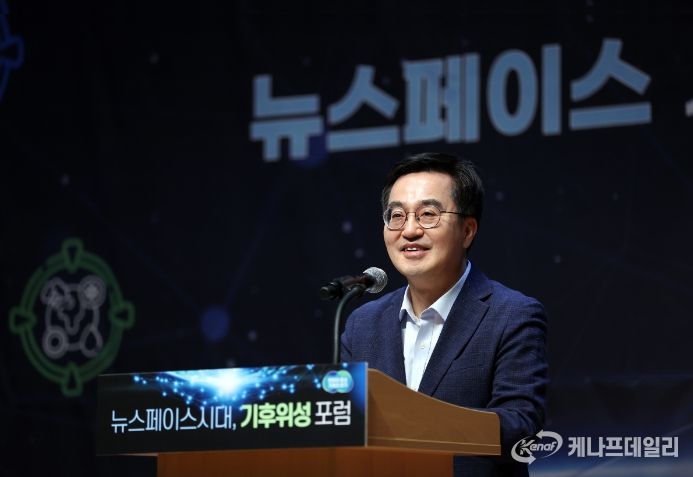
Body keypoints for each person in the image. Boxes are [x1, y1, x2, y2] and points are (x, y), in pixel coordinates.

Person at [341, 152, 548, 477]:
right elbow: (344, 425)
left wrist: (415, 422)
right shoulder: (362, 324)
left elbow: (521, 428)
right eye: (396, 215)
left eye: (428, 214)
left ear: (467, 231)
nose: (409, 230)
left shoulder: (512, 314)